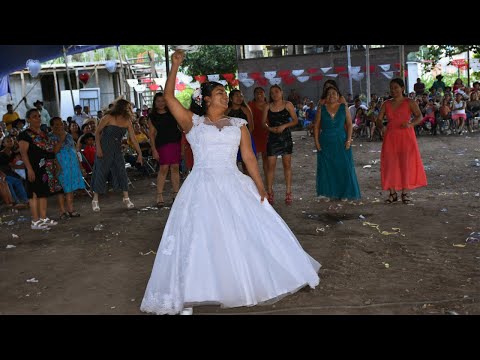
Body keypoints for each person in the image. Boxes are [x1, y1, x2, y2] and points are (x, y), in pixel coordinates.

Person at [140, 50, 320, 315]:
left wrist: (260, 186)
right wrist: (175, 64)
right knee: (198, 238)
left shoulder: (238, 124)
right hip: (201, 185)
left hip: (232, 182)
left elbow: (248, 157)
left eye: (226, 93)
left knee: (244, 235)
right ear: (206, 100)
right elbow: (168, 97)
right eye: (220, 93)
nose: (226, 96)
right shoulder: (193, 123)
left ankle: (242, 282)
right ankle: (189, 293)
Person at [376, 78, 427, 204]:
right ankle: (392, 193)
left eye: (396, 88)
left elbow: (419, 116)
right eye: (391, 88)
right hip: (390, 136)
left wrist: (411, 124)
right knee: (390, 163)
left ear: (402, 88)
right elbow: (379, 119)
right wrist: (381, 127)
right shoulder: (386, 103)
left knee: (406, 163)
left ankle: (405, 192)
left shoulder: (409, 102)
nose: (393, 90)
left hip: (406, 136)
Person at [90, 98, 143, 212]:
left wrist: (139, 153)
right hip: (104, 147)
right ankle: (95, 199)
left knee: (121, 171)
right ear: (122, 108)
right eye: (128, 107)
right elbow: (97, 133)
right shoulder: (108, 117)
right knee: (101, 172)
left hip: (116, 148)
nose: (130, 109)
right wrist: (98, 148)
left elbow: (133, 138)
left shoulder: (127, 121)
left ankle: (126, 198)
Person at [314, 86, 361, 201]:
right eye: (329, 94)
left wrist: (349, 140)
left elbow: (350, 125)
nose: (331, 96)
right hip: (325, 141)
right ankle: (327, 193)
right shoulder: (321, 108)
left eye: (334, 93)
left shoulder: (343, 107)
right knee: (326, 168)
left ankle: (344, 193)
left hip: (342, 140)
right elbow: (316, 127)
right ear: (325, 96)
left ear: (339, 96)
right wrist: (317, 143)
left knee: (343, 166)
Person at [18, 108, 62, 230]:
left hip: (45, 168)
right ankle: (35, 221)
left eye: (38, 116)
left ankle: (43, 218)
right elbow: (23, 153)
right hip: (33, 168)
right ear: (28, 119)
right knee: (34, 194)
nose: (38, 118)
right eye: (34, 116)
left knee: (43, 193)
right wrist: (29, 169)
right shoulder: (24, 135)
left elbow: (50, 149)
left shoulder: (43, 133)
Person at [262, 84, 299, 205]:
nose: (274, 94)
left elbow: (295, 120)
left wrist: (284, 126)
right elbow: (263, 123)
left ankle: (288, 192)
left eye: (276, 91)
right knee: (270, 166)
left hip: (285, 138)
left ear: (281, 92)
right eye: (272, 93)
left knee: (287, 165)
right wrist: (271, 129)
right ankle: (270, 191)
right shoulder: (267, 106)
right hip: (272, 138)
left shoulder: (288, 104)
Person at [147, 92, 182, 207]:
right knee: (164, 168)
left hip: (175, 142)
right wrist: (154, 149)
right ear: (155, 103)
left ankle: (176, 194)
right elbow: (151, 134)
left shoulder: (173, 113)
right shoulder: (152, 116)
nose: (161, 103)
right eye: (158, 101)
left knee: (175, 167)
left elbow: (181, 128)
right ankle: (159, 195)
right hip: (162, 144)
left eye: (163, 101)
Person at [49, 117, 85, 219]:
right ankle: (62, 211)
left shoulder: (68, 135)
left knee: (71, 188)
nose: (59, 126)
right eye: (56, 125)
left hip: (72, 165)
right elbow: (54, 152)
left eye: (61, 124)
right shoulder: (50, 137)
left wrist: (80, 166)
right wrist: (61, 137)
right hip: (60, 165)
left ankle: (71, 209)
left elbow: (74, 150)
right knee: (61, 189)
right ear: (51, 126)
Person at [226, 89, 256, 175]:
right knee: (233, 165)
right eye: (237, 96)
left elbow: (251, 127)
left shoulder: (246, 110)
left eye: (241, 96)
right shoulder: (226, 111)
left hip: (245, 141)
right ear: (231, 99)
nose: (239, 98)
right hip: (232, 142)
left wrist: (244, 140)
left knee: (247, 166)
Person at [248, 87, 269, 182]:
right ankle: (255, 181)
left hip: (267, 134)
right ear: (254, 95)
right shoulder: (250, 105)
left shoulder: (269, 105)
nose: (259, 94)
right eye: (256, 93)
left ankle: (268, 180)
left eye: (261, 92)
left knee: (266, 159)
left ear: (264, 94)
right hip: (254, 134)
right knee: (254, 159)